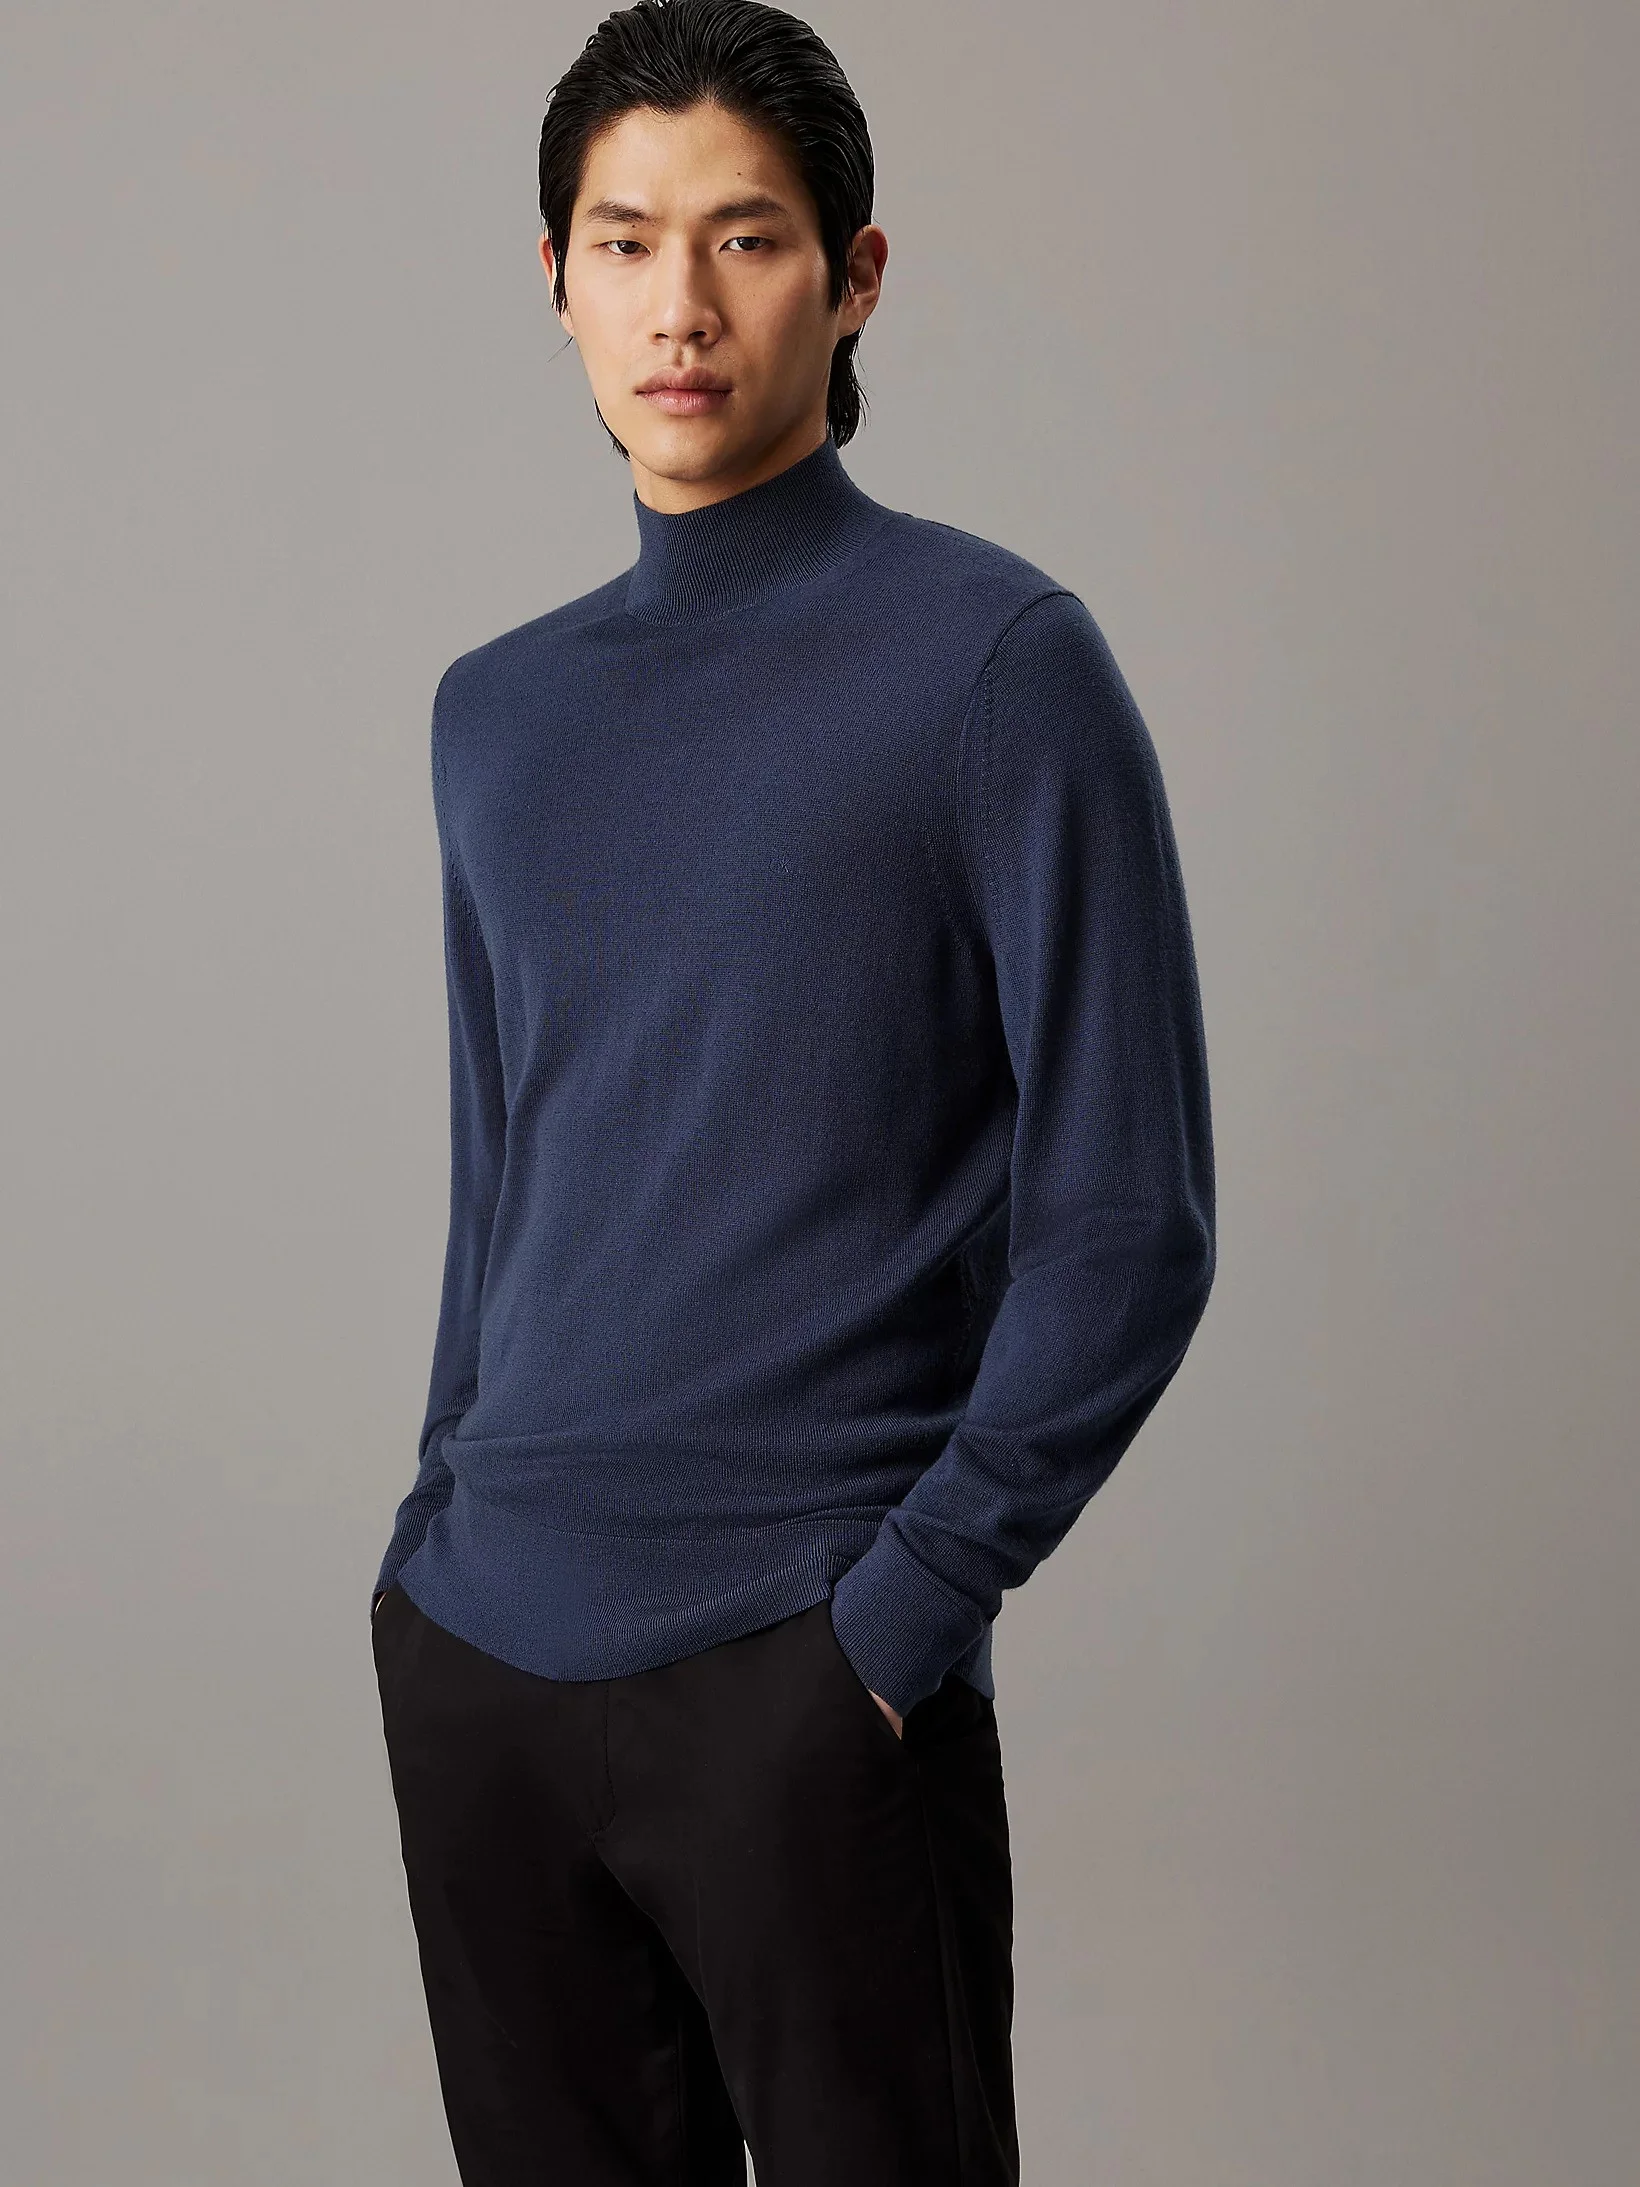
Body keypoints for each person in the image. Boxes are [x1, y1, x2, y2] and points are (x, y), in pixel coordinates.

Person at [368, 2, 1216, 2179]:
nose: (679, 303)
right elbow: (507, 1167)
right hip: (484, 1665)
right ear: (554, 278)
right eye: (624, 239)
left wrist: (906, 1615)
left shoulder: (995, 662)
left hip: (808, 1673)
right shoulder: (493, 715)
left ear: (853, 280)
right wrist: (426, 1545)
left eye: (743, 239)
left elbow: (1129, 1216)